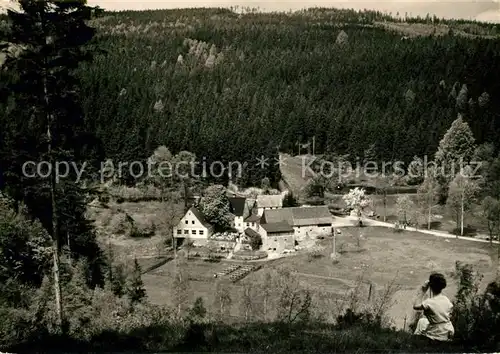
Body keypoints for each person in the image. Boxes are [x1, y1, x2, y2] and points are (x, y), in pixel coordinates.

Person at [413, 272, 454, 342]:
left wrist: (423, 290)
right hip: (448, 330)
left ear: (431, 286)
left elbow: (415, 306)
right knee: (423, 321)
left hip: (437, 333)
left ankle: (416, 339)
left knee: (421, 321)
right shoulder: (446, 299)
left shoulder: (429, 302)